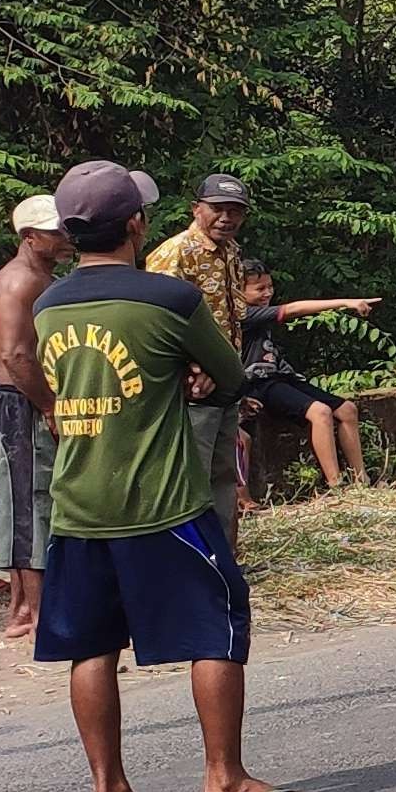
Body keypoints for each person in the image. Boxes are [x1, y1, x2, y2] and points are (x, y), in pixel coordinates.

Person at [31, 161, 317, 792]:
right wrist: (189, 375)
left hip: (78, 505)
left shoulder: (49, 305)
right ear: (136, 223)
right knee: (216, 625)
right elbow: (228, 375)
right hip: (162, 501)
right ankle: (225, 779)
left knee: (91, 645)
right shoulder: (168, 297)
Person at [0, 192, 65, 642]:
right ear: (30, 237)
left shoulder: (39, 276)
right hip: (20, 403)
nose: (64, 237)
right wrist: (48, 404)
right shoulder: (21, 281)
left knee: (28, 499)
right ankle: (33, 612)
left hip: (23, 400)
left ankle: (24, 607)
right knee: (31, 502)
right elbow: (13, 353)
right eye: (54, 232)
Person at [146, 173, 254, 544]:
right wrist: (192, 368)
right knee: (191, 474)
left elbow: (231, 318)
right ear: (197, 209)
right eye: (218, 209)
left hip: (225, 382)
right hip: (190, 387)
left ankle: (222, 555)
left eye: (235, 211)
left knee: (224, 473)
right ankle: (190, 556)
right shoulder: (175, 253)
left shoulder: (232, 252)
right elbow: (156, 322)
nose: (226, 217)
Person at [238, 262, 377, 491]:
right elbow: (293, 309)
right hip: (259, 382)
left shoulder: (259, 313)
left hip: (280, 376)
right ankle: (336, 484)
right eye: (259, 289)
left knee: (347, 410)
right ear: (239, 292)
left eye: (270, 287)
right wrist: (344, 302)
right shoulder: (245, 314)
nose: (268, 293)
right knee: (320, 412)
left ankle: (362, 482)